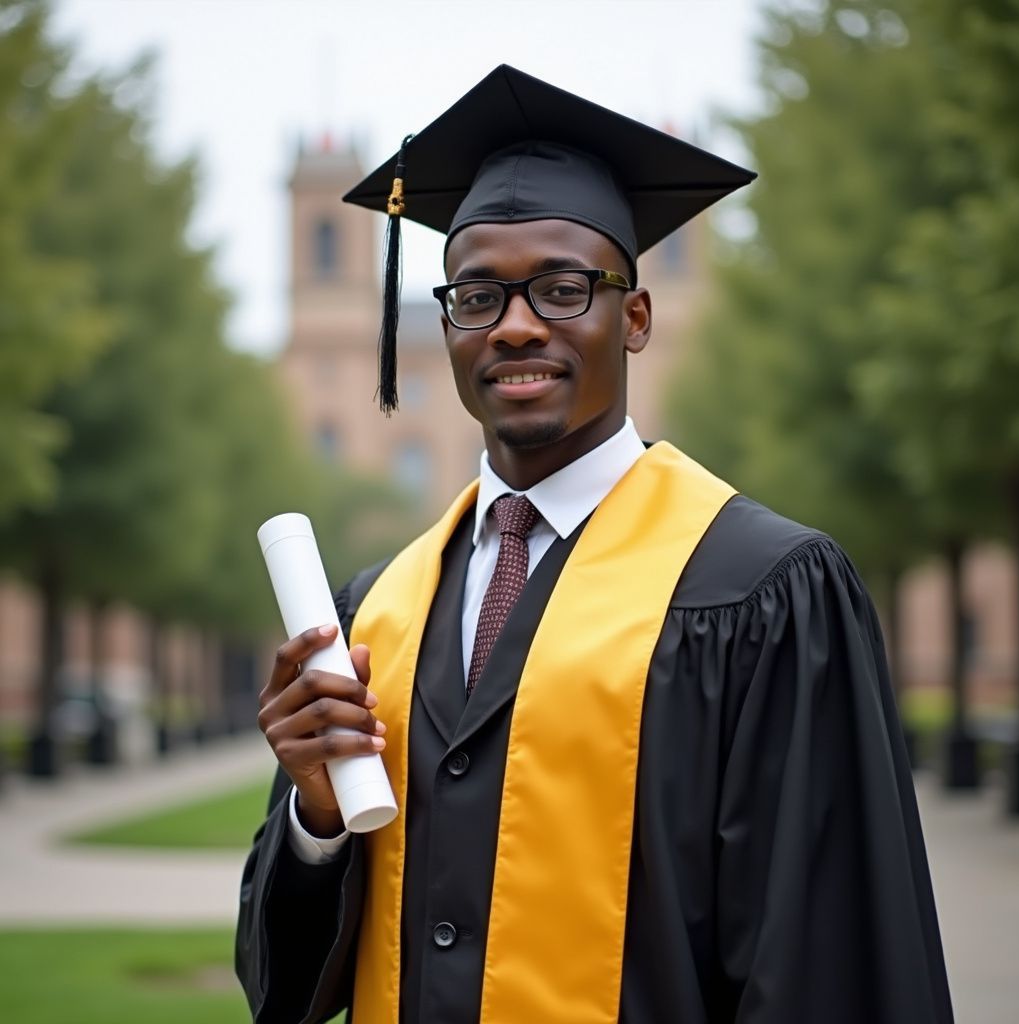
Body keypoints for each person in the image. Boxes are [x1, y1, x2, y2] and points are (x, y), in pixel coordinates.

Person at [236, 66, 953, 1024]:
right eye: (478, 297)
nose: (518, 325)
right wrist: (317, 817)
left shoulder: (761, 591)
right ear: (446, 325)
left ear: (638, 317)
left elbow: (828, 966)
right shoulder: (383, 607)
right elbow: (285, 990)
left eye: (565, 289)